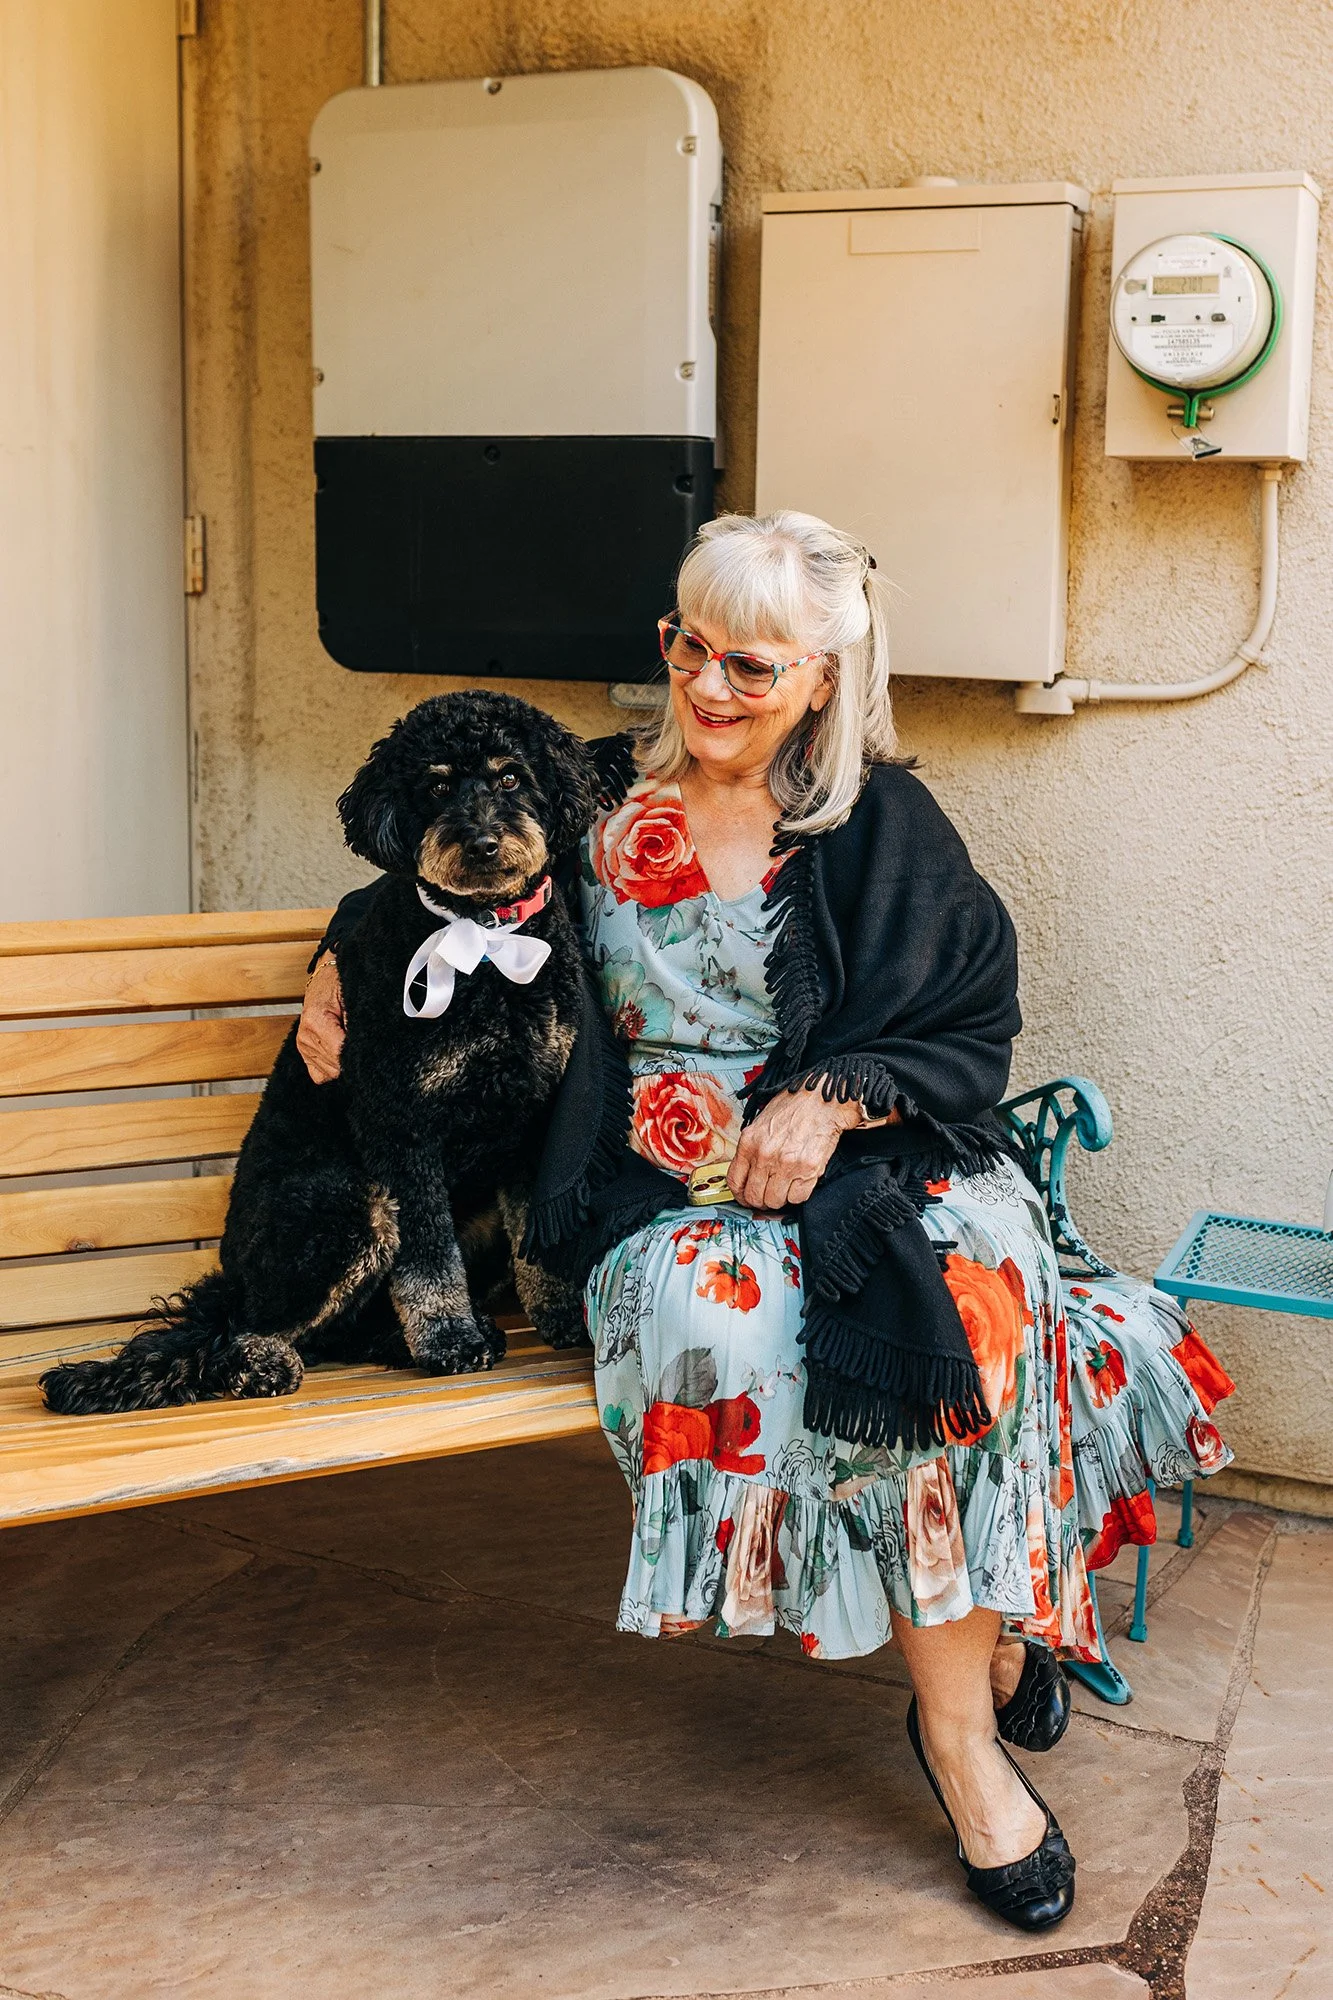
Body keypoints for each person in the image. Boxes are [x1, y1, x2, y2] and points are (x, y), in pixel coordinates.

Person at [299, 510, 1234, 1932]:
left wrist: (838, 1095)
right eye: (689, 646)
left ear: (823, 681)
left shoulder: (876, 820)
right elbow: (432, 877)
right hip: (654, 1178)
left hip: (871, 1157)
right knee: (723, 1319)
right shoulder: (588, 791)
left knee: (961, 1309)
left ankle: (960, 1741)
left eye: (753, 663)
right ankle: (984, 1647)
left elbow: (971, 1010)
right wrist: (336, 959)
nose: (709, 686)